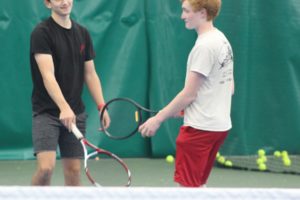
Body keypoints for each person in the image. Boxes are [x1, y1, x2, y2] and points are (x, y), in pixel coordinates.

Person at [139, 0, 234, 187]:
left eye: (186, 11)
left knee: (187, 191)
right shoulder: (222, 40)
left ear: (203, 13)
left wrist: (157, 119)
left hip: (199, 130)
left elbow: (189, 94)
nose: (182, 16)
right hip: (219, 128)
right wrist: (186, 109)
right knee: (198, 186)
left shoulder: (205, 46)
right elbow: (228, 87)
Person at [30, 0, 110, 186]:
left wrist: (101, 106)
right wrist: (63, 107)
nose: (65, 2)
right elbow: (47, 75)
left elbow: (90, 74)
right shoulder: (41, 33)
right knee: (45, 169)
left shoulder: (82, 33)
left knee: (74, 172)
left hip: (76, 113)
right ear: (48, 3)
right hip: (46, 113)